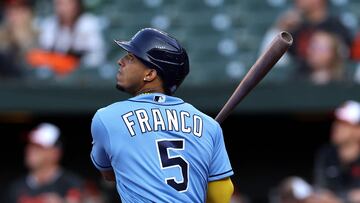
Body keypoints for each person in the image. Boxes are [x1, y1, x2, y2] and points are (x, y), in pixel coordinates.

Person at [90, 28, 234, 202]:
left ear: (150, 74)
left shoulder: (107, 118)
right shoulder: (209, 126)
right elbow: (222, 194)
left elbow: (109, 174)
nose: (121, 62)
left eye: (131, 58)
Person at [5, 122, 84, 203]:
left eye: (38, 147)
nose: (30, 150)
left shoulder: (72, 184)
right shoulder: (16, 188)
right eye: (30, 145)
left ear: (55, 152)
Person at [26, 0, 106, 76]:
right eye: (59, 4)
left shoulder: (88, 23)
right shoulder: (50, 24)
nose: (63, 8)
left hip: (83, 74)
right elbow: (45, 53)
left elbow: (95, 57)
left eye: (67, 3)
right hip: (54, 75)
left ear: (76, 4)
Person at [314, 100, 360, 202]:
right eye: (336, 122)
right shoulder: (327, 154)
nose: (336, 127)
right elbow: (321, 193)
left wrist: (340, 198)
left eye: (344, 124)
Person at [0, 0, 37, 78]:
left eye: (19, 9)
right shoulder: (2, 37)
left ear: (29, 12)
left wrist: (23, 40)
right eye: (10, 9)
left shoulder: (43, 36)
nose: (14, 15)